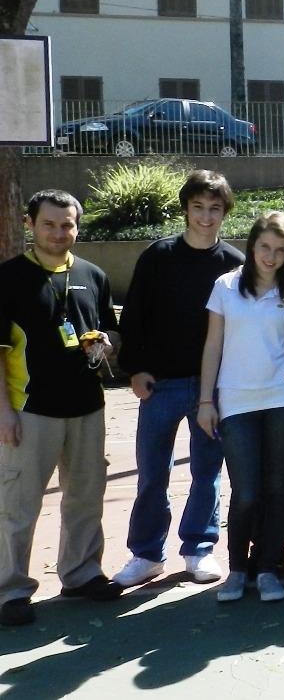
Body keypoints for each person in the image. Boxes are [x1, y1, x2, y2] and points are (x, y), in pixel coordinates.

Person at [115, 170, 243, 588]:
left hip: (213, 390)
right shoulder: (158, 256)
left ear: (225, 212)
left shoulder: (234, 265)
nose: (206, 217)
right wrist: (134, 369)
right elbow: (134, 315)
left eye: (215, 209)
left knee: (208, 470)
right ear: (186, 209)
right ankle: (147, 554)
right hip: (161, 385)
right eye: (198, 208)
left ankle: (199, 549)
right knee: (153, 471)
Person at [0, 190, 122, 627]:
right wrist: (4, 412)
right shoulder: (9, 278)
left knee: (85, 497)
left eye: (67, 224)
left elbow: (108, 329)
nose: (58, 233)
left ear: (77, 226)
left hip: (87, 407)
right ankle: (10, 590)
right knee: (18, 503)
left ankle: (81, 572)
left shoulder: (94, 274)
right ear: (29, 224)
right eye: (49, 224)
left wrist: (108, 344)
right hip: (30, 411)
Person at [197, 213, 284, 603]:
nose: (271, 256)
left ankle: (266, 568)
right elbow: (213, 345)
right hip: (235, 400)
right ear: (252, 246)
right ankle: (236, 569)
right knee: (246, 490)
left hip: (283, 396)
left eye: (280, 250)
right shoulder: (226, 287)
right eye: (264, 247)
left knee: (279, 487)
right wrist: (205, 400)